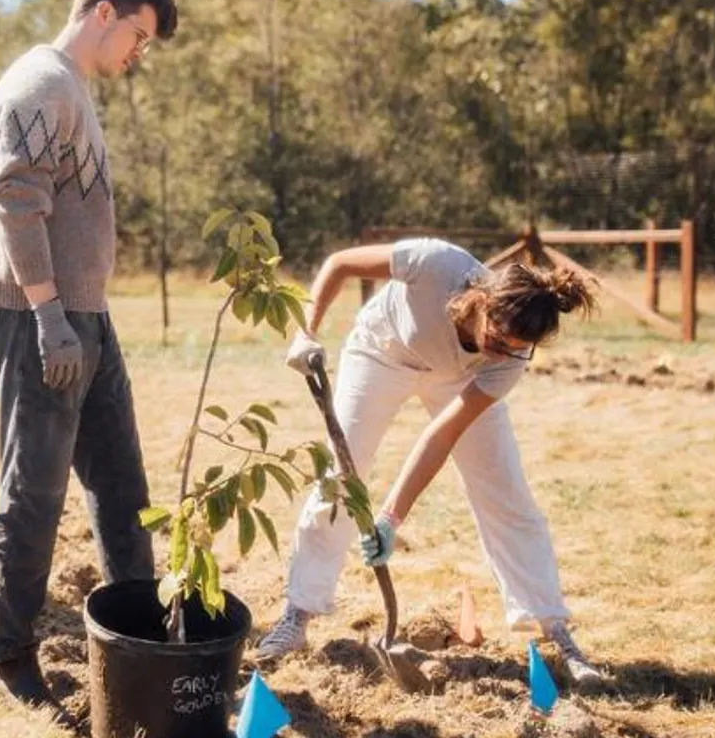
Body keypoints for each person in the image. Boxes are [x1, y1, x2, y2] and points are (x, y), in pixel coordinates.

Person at [254, 238, 605, 685]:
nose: (500, 351)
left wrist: (390, 518)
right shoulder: (435, 263)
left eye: (515, 348)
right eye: (497, 339)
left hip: (459, 379)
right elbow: (341, 264)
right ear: (481, 302)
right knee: (341, 476)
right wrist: (307, 330)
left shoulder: (506, 361)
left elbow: (441, 435)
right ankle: (297, 614)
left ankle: (555, 630)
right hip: (383, 352)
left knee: (507, 494)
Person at [0, 0, 178, 718]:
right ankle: (9, 655)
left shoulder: (73, 90)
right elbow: (15, 199)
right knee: (34, 490)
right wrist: (49, 316)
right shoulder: (40, 82)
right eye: (139, 36)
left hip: (85, 316)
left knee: (122, 485)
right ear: (103, 13)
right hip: (40, 320)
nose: (138, 53)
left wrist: (78, 315)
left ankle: (141, 634)